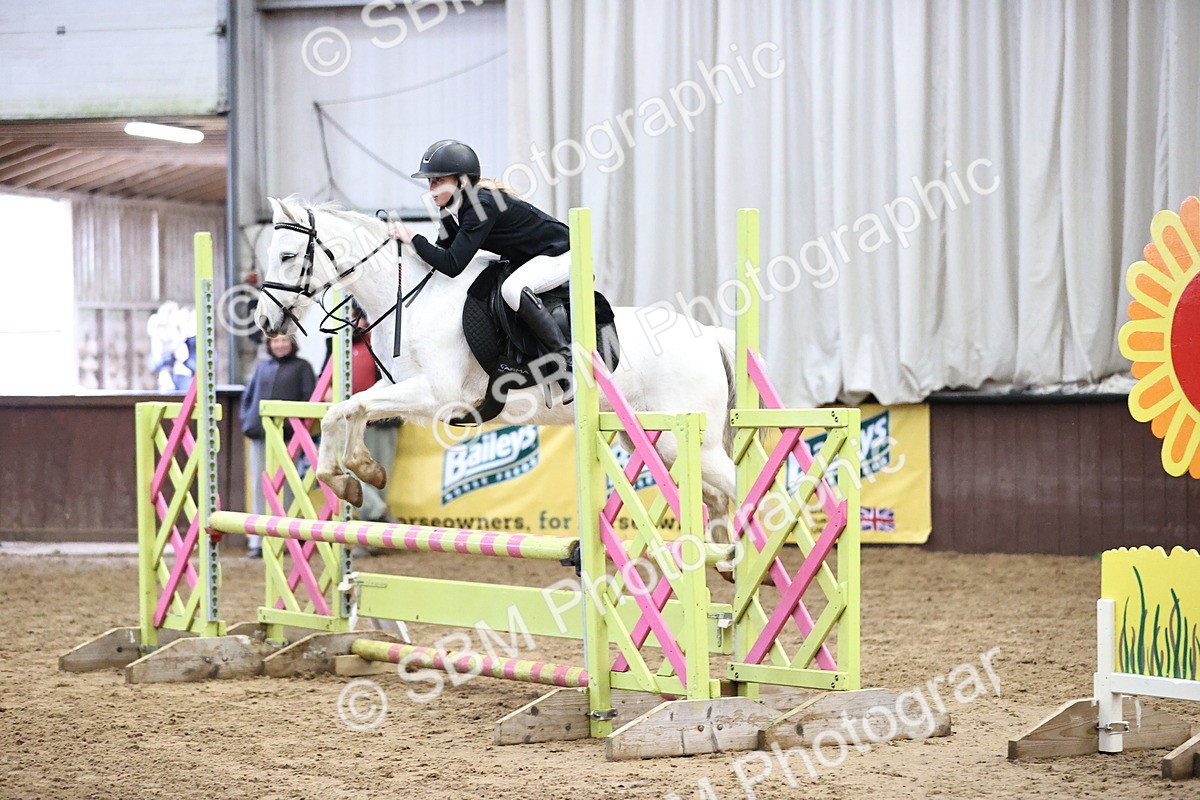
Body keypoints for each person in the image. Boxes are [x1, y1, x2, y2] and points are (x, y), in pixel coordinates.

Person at [388, 139, 573, 394]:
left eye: (438, 181)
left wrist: (412, 238)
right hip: (528, 257)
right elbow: (442, 254)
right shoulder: (450, 209)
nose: (431, 189)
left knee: (512, 289)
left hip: (560, 253)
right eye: (429, 182)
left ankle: (565, 361)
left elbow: (453, 264)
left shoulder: (479, 204)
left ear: (462, 182)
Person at [240, 335, 316, 558]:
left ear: (292, 343)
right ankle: (259, 539)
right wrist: (247, 420)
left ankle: (290, 537)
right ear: (269, 345)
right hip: (260, 434)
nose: (279, 344)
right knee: (260, 485)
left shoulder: (303, 367)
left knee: (291, 487)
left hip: (289, 437)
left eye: (284, 340)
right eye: (275, 341)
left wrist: (297, 430)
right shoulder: (262, 366)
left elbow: (308, 400)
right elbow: (248, 396)